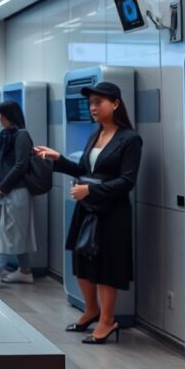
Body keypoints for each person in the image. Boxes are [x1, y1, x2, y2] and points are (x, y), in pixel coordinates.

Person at [34, 81, 141, 345]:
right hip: (88, 209)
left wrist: (90, 191)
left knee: (106, 267)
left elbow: (127, 182)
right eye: (91, 103)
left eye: (98, 102)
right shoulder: (95, 136)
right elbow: (84, 170)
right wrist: (58, 159)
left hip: (112, 212)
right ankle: (91, 310)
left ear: (115, 104)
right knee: (82, 261)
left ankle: (107, 320)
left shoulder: (130, 139)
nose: (93, 107)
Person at [0, 100, 37, 289]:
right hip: (1, 191)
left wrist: (2, 187)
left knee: (8, 231)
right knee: (14, 230)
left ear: (10, 116)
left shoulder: (22, 135)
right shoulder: (3, 135)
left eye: (2, 115)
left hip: (16, 191)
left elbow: (21, 165)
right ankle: (25, 270)